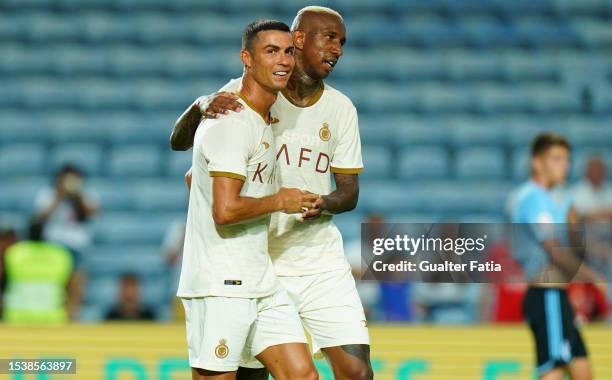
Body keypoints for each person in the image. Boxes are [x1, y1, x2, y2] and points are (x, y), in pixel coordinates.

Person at [172, 7, 373, 380]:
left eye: (342, 42)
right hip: (258, 259)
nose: (338, 49)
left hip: (317, 261)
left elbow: (349, 191)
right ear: (299, 40)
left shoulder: (341, 108)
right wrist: (200, 105)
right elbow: (182, 148)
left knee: (356, 374)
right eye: (329, 37)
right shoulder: (242, 100)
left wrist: (321, 203)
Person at [177, 19, 319, 380]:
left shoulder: (262, 111)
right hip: (220, 283)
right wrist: (279, 201)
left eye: (288, 51)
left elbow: (193, 178)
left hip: (259, 278)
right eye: (271, 51)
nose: (283, 60)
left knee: (303, 375)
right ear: (247, 59)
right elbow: (224, 212)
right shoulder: (231, 121)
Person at [511, 133, 607, 380]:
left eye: (566, 160)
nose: (564, 166)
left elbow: (573, 245)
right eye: (556, 159)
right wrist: (593, 276)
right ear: (537, 163)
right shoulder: (534, 199)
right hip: (546, 295)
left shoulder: (557, 201)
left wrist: (576, 225)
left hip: (559, 295)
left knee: (582, 371)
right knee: (553, 372)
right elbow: (553, 251)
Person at [2, 220, 77, 324]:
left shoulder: (14, 253)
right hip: (53, 318)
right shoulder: (60, 254)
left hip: (17, 317)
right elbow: (73, 285)